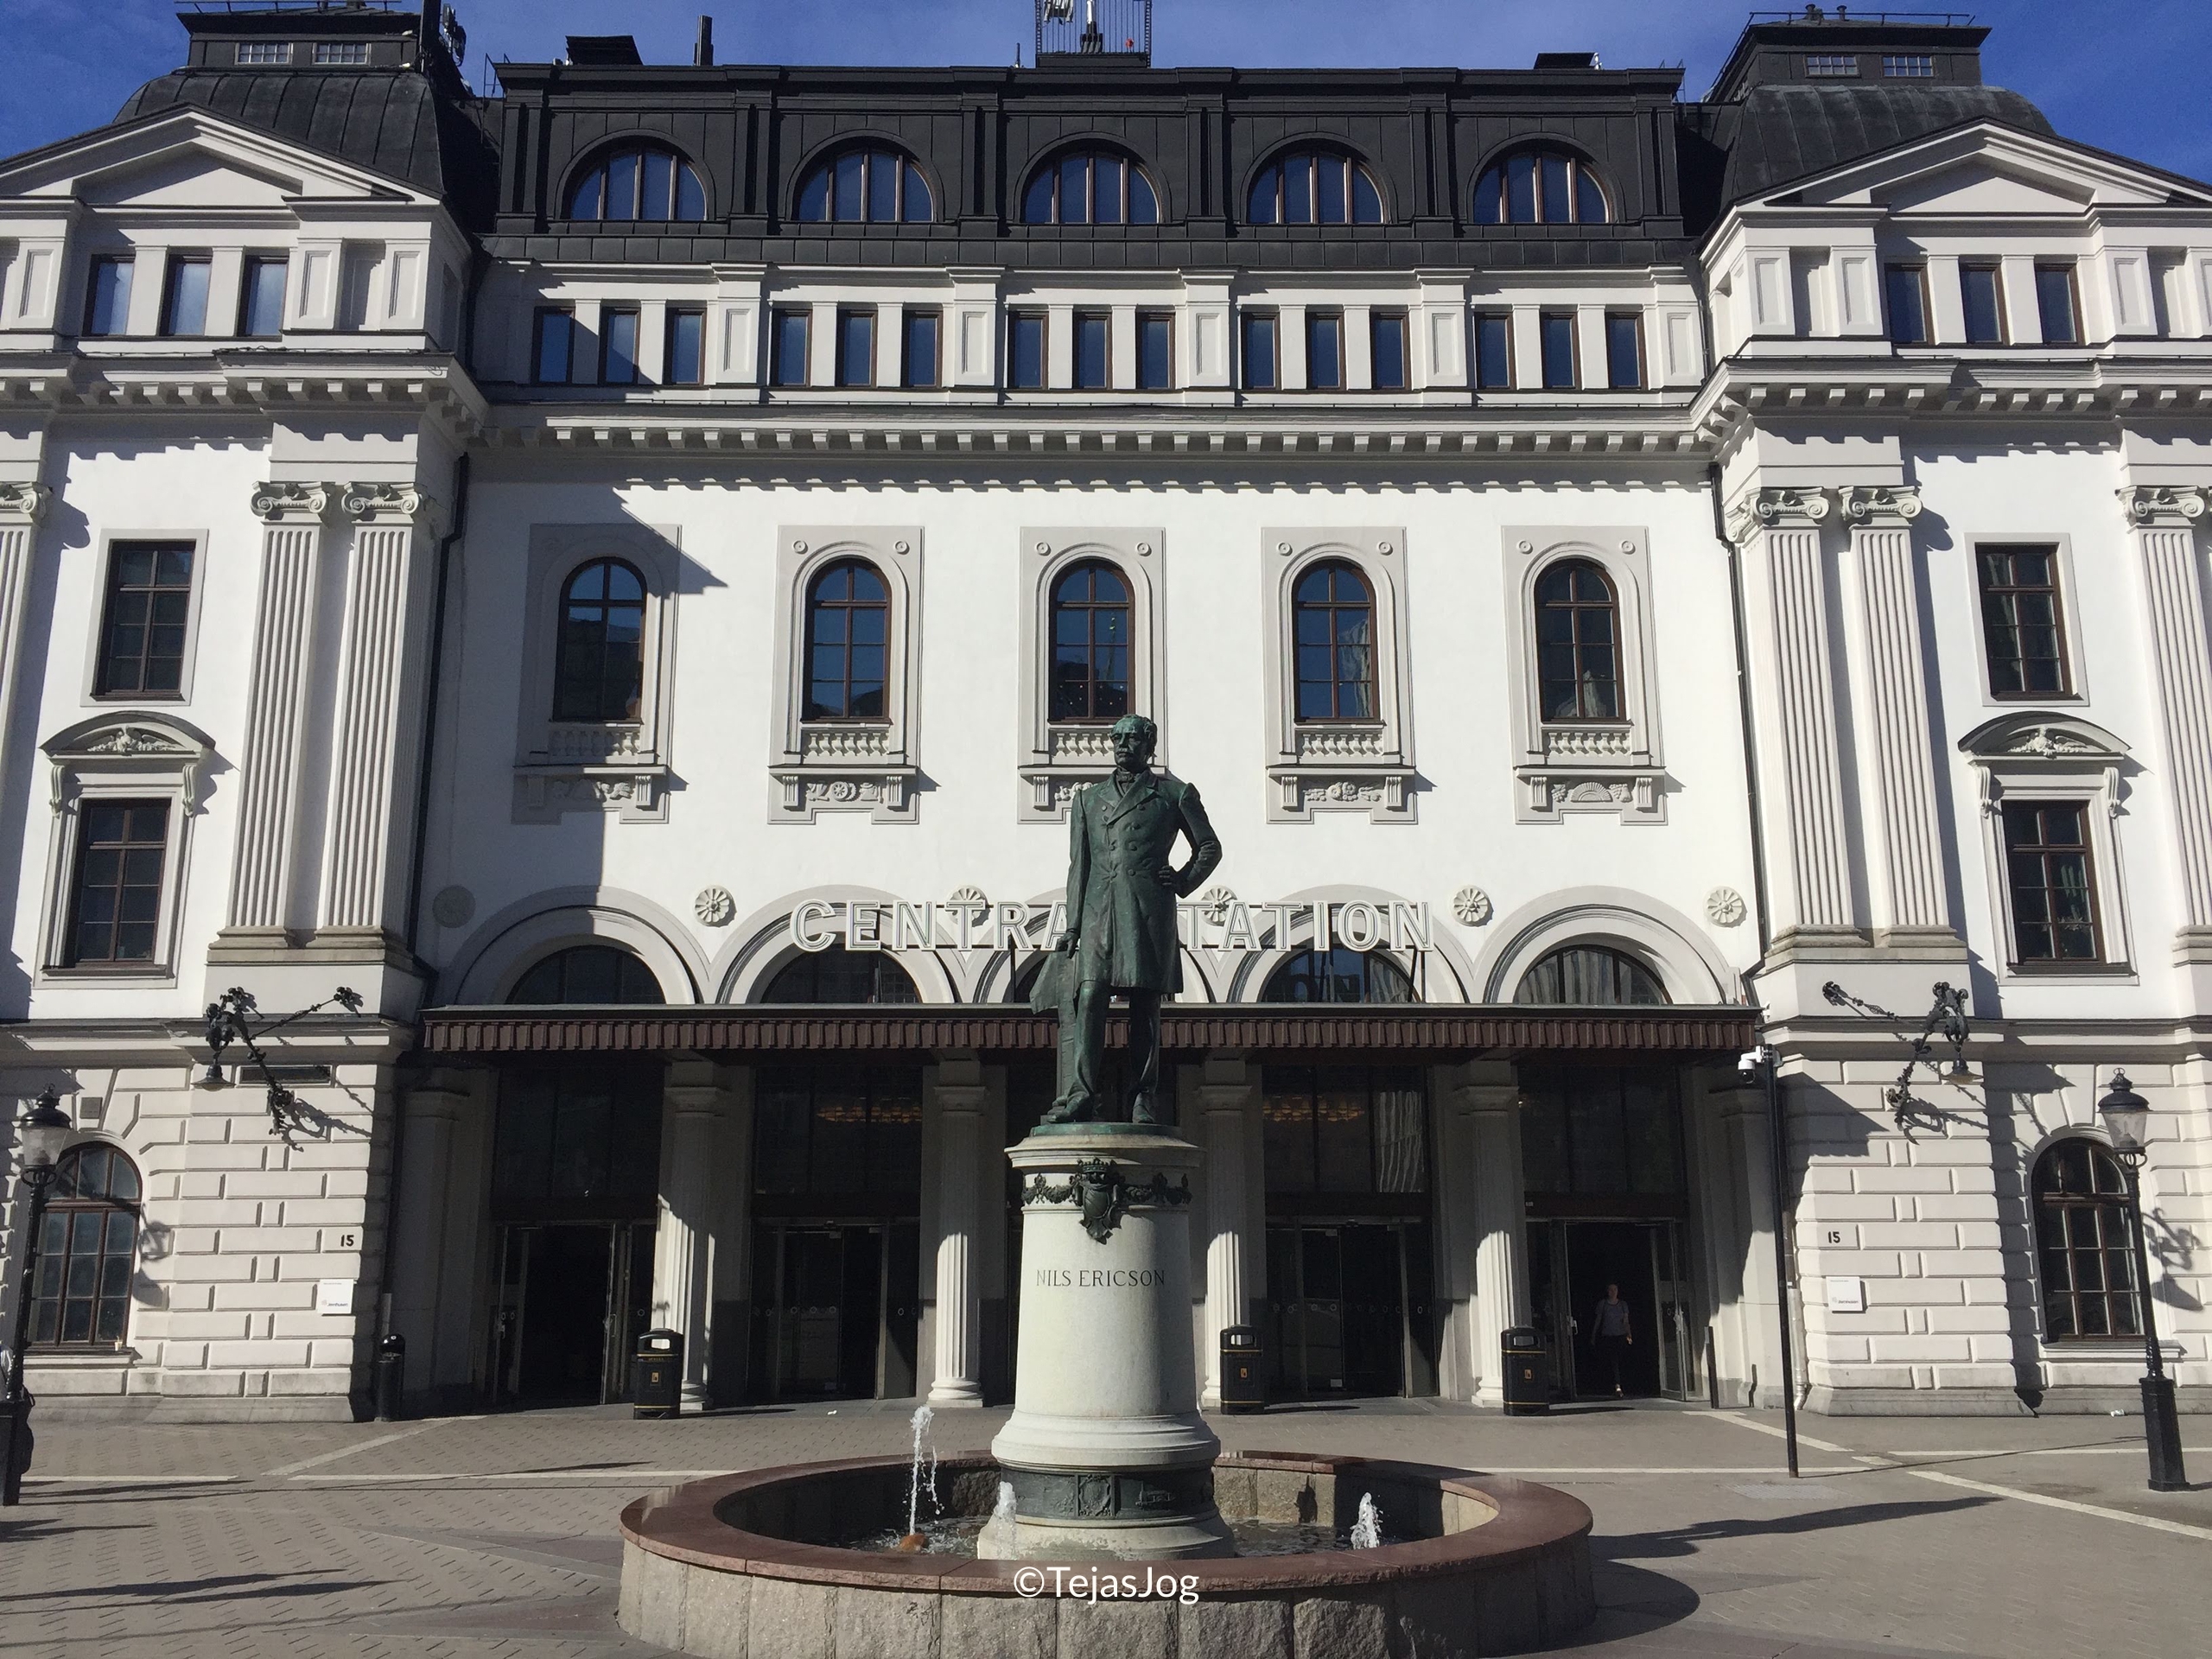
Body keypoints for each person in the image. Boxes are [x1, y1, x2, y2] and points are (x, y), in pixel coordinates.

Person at [1590, 1283, 1633, 1396]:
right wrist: (1593, 1335)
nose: (1613, 1292)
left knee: (1620, 1360)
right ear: (1607, 1291)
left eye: (1615, 1289)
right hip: (1607, 1336)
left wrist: (1629, 1334)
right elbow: (1598, 1320)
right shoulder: (1603, 1304)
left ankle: (1620, 1384)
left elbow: (1626, 1321)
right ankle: (1616, 1385)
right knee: (1611, 1361)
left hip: (1620, 1336)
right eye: (1611, 1290)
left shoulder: (1623, 1305)